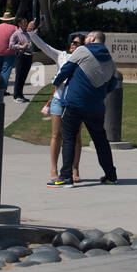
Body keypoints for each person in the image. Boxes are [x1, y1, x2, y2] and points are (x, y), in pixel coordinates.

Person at [51, 30, 120, 186]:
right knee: (101, 141)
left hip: (74, 103)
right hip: (96, 107)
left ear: (93, 38)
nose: (85, 39)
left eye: (88, 36)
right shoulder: (110, 61)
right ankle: (111, 176)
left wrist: (56, 82)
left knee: (68, 139)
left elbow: (66, 70)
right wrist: (98, 94)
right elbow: (112, 84)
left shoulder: (82, 50)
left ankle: (66, 177)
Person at [31, 29, 85, 185]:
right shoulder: (62, 55)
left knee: (76, 135)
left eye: (78, 44)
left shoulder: (85, 59)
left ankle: (75, 169)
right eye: (73, 42)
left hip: (75, 101)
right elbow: (44, 47)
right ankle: (54, 169)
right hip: (58, 100)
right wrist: (31, 35)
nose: (74, 45)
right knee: (56, 135)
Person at [0, 10, 20, 91]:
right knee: (6, 71)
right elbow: (18, 40)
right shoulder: (14, 28)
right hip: (10, 52)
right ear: (10, 20)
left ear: (3, 19)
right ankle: (2, 89)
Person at [9, 18, 36, 103]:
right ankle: (16, 96)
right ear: (19, 24)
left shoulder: (28, 33)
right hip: (21, 56)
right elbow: (11, 45)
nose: (26, 24)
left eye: (26, 22)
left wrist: (34, 35)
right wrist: (21, 46)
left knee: (23, 77)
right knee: (19, 76)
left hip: (29, 56)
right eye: (24, 22)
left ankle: (20, 95)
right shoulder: (16, 33)